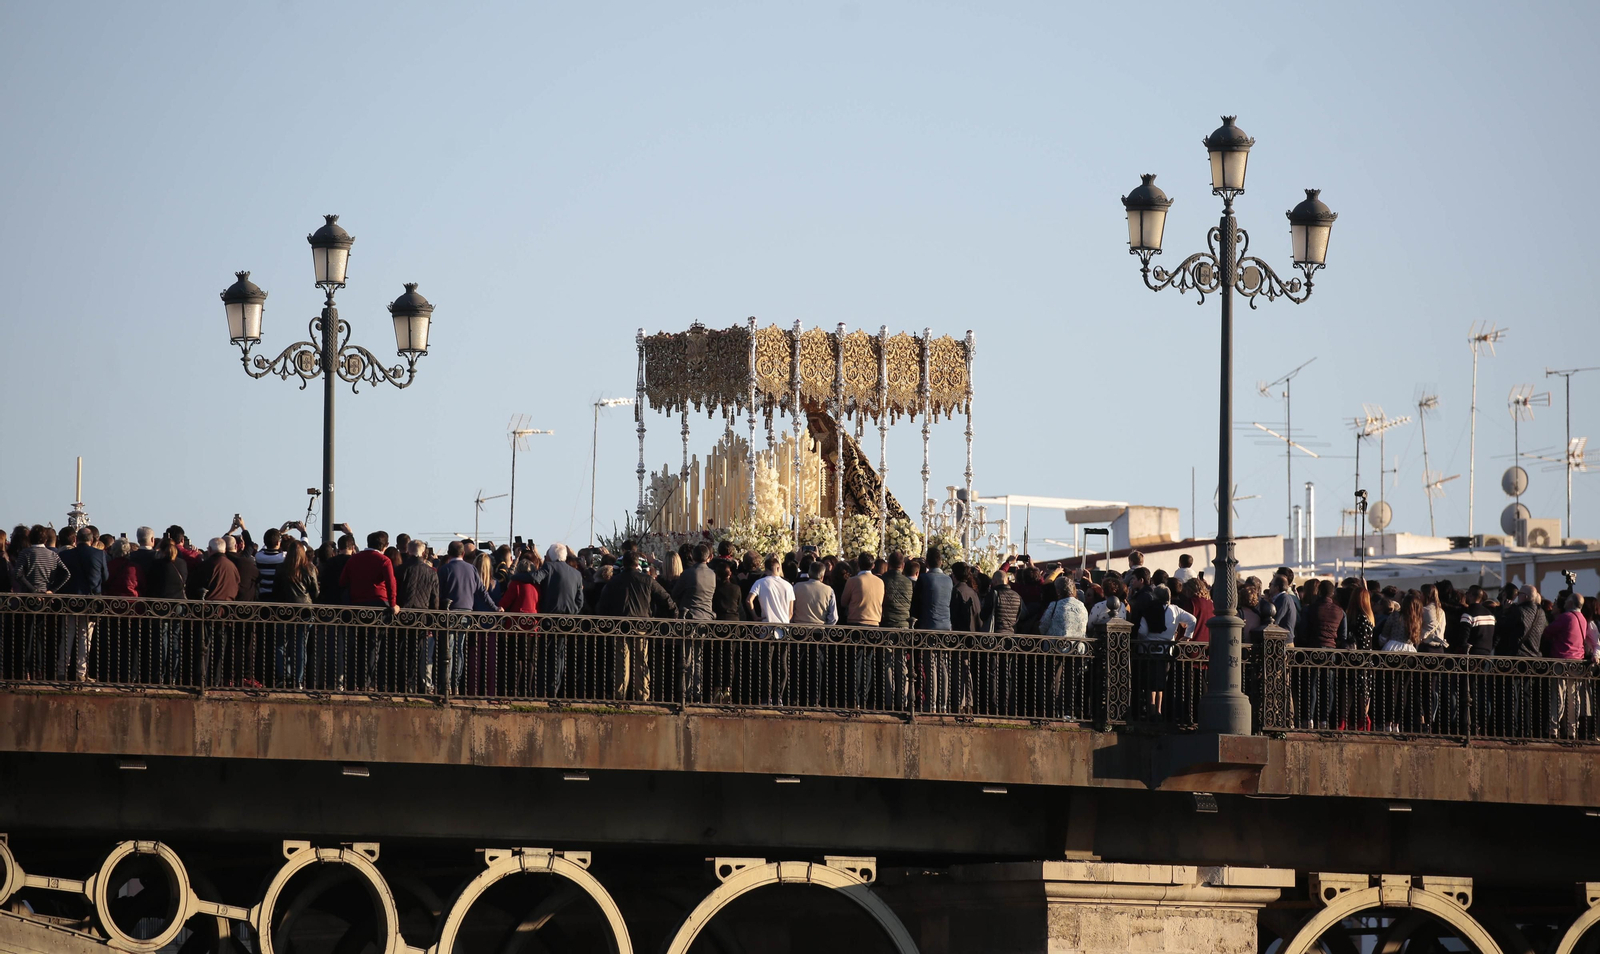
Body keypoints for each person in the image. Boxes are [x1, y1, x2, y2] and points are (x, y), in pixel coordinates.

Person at [438, 541, 493, 696]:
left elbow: (438, 593)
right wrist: (495, 608)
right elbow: (482, 592)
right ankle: (455, 685)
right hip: (466, 613)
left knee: (448, 649)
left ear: (448, 553)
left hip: (449, 613)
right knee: (459, 649)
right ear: (463, 553)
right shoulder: (471, 569)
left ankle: (446, 685)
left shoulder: (444, 569)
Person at [1134, 584, 1196, 720]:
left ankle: (1151, 710)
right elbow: (1192, 620)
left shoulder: (1148, 610)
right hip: (1167, 650)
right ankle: (1159, 710)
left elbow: (1142, 632)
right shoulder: (1175, 610)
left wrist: (1144, 639)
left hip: (1148, 650)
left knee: (1150, 682)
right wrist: (1187, 636)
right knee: (1161, 681)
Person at [268, 539, 320, 690]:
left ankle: (282, 677)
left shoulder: (281, 568)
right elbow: (315, 592)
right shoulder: (309, 568)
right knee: (300, 646)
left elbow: (275, 591)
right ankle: (298, 680)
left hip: (284, 610)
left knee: (280, 645)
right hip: (305, 611)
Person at [57, 527, 107, 682]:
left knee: (67, 635)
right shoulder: (99, 554)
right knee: (85, 637)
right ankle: (81, 672)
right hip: (90, 601)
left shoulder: (65, 555)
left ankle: (62, 670)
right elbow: (105, 576)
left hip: (69, 600)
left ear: (76, 540)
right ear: (91, 540)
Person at [746, 554, 795, 706]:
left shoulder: (760, 582)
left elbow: (749, 600)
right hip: (783, 627)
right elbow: (791, 611)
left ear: (765, 568)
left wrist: (755, 616)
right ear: (778, 567)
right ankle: (778, 695)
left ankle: (766, 697)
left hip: (766, 626)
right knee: (782, 664)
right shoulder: (787, 585)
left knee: (766, 664)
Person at [1039, 577, 1089, 720]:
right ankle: (1068, 710)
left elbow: (1043, 625)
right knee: (1071, 681)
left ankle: (1052, 710)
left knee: (1053, 680)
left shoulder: (1054, 605)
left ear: (1058, 591)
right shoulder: (1082, 606)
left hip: (1054, 647)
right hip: (1076, 648)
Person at [1543, 593, 1588, 739]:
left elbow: (1547, 632)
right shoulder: (1583, 619)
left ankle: (1553, 729)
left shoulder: (1566, 617)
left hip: (1562, 661)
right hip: (1577, 662)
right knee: (1573, 697)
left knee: (1558, 696)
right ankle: (1572, 730)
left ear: (1570, 603)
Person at [841, 553, 884, 707]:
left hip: (856, 623)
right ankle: (865, 697)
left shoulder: (853, 581)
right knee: (868, 661)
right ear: (873, 566)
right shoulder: (880, 582)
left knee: (856, 662)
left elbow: (844, 601)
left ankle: (855, 698)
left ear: (858, 565)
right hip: (874, 624)